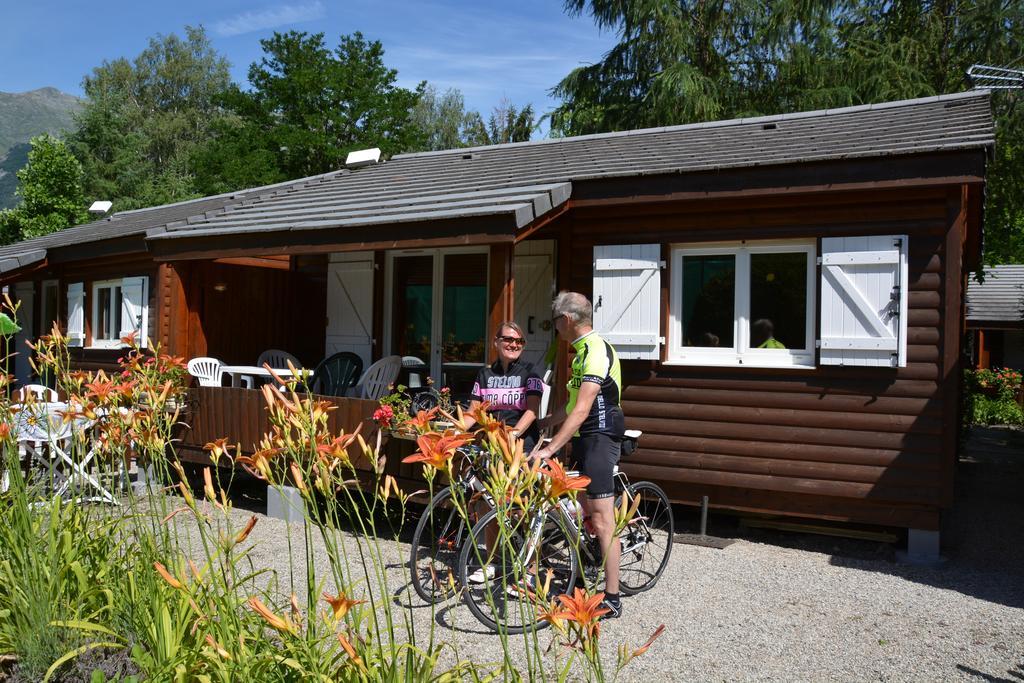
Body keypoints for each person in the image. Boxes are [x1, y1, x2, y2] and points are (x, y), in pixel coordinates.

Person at [532, 292, 625, 618]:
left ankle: (612, 597)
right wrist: (544, 423)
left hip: (601, 436)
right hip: (585, 435)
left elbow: (584, 408)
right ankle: (582, 578)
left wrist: (551, 447)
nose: (554, 328)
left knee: (602, 520)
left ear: (566, 320)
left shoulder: (596, 350)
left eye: (555, 321)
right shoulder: (580, 351)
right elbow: (571, 407)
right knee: (580, 513)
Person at [462, 321, 544, 453]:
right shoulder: (485, 374)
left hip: (521, 441)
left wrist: (512, 435)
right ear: (496, 342)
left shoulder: (530, 372)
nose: (514, 345)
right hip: (491, 440)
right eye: (508, 339)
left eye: (519, 341)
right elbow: (473, 412)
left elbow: (532, 410)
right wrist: (455, 432)